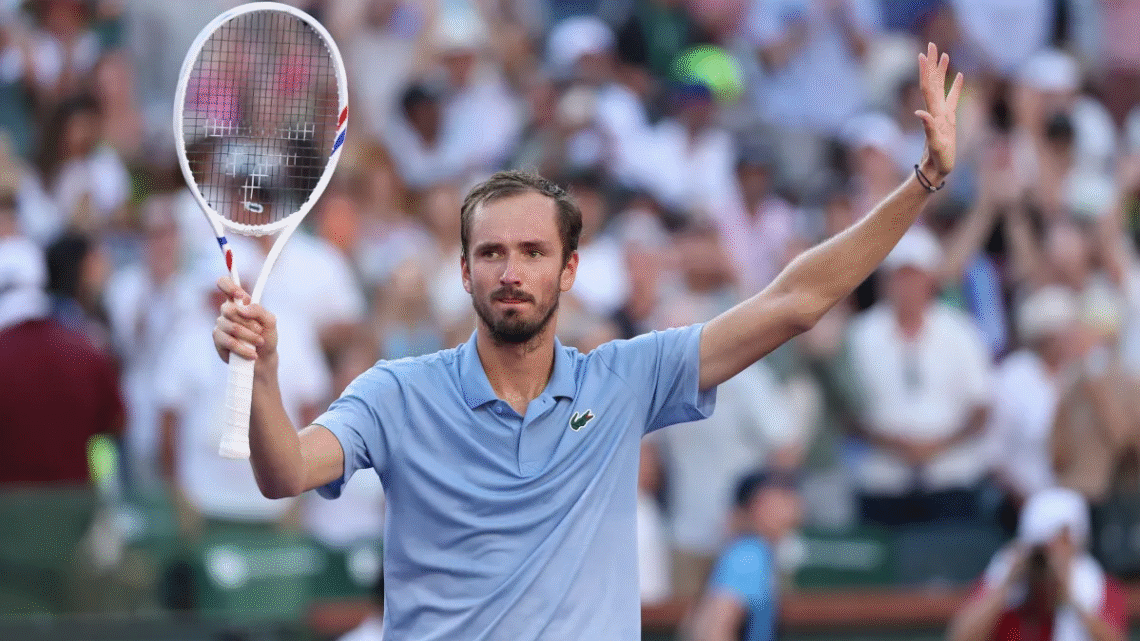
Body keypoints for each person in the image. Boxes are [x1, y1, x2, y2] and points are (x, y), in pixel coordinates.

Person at [211, 43, 962, 640]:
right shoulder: (396, 391)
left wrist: (924, 178)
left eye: (533, 253)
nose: (512, 272)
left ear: (570, 269)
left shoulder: (625, 378)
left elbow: (795, 302)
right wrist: (265, 374)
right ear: (463, 270)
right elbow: (286, 471)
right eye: (492, 253)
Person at [947, 487, 1127, 641]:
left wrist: (1071, 599)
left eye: (1060, 543)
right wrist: (1006, 586)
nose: (1049, 556)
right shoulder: (1003, 576)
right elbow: (960, 636)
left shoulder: (1097, 586)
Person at [684, 469, 803, 641]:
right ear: (754, 507)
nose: (791, 510)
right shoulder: (748, 555)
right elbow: (713, 631)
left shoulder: (752, 551)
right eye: (781, 501)